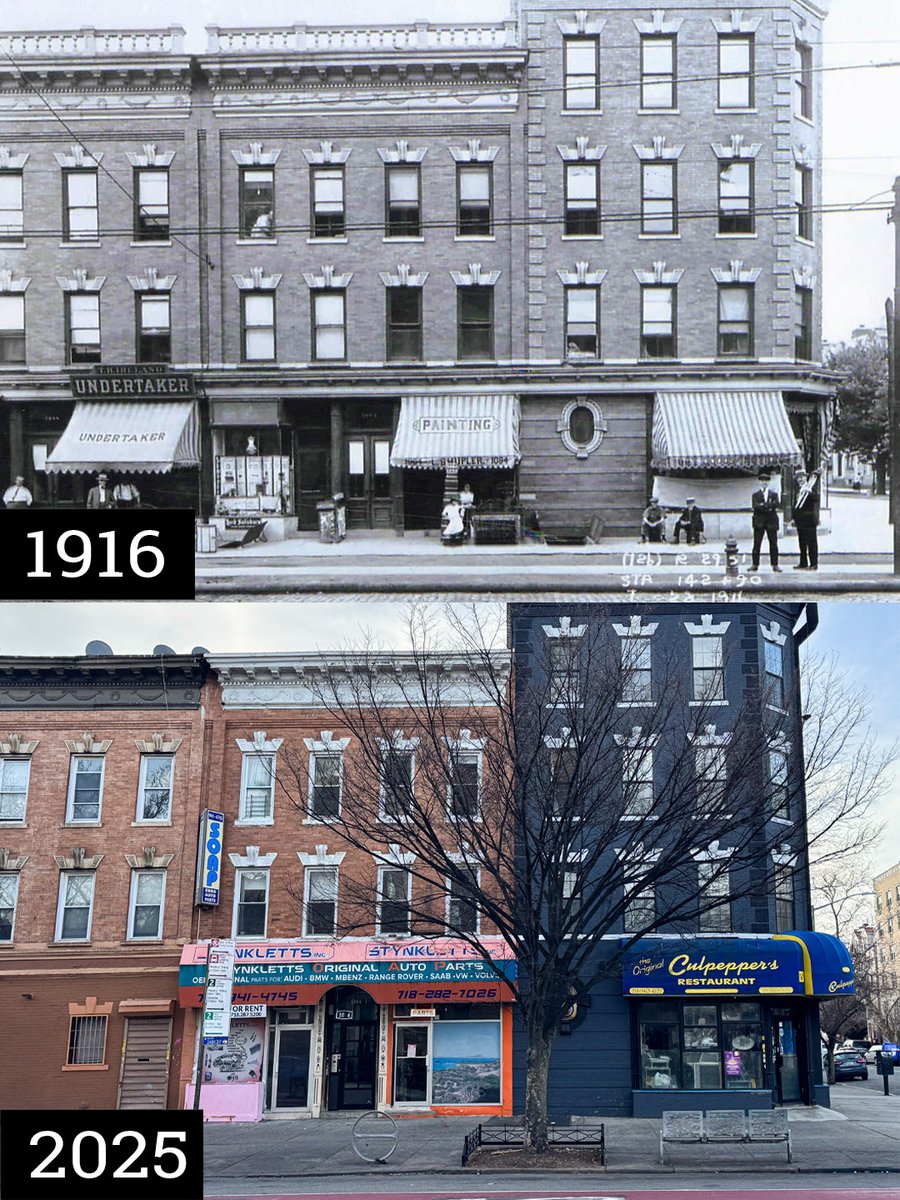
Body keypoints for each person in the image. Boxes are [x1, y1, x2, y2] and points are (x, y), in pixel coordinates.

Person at [750, 471, 782, 572]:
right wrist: (768, 506)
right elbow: (755, 506)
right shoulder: (755, 495)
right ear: (759, 482)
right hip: (759, 522)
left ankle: (775, 564)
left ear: (769, 482)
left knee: (773, 544)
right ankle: (755, 564)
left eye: (766, 481)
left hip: (771, 522)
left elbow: (776, 504)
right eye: (762, 480)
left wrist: (763, 505)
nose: (764, 482)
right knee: (756, 543)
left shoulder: (774, 494)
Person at [791, 468, 820, 570]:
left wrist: (810, 491)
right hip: (800, 521)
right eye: (798, 478)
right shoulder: (798, 491)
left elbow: (816, 499)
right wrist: (793, 518)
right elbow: (795, 506)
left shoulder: (810, 488)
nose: (800, 480)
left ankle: (813, 564)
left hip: (809, 520)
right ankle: (803, 563)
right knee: (802, 543)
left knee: (811, 543)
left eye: (802, 477)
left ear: (805, 477)